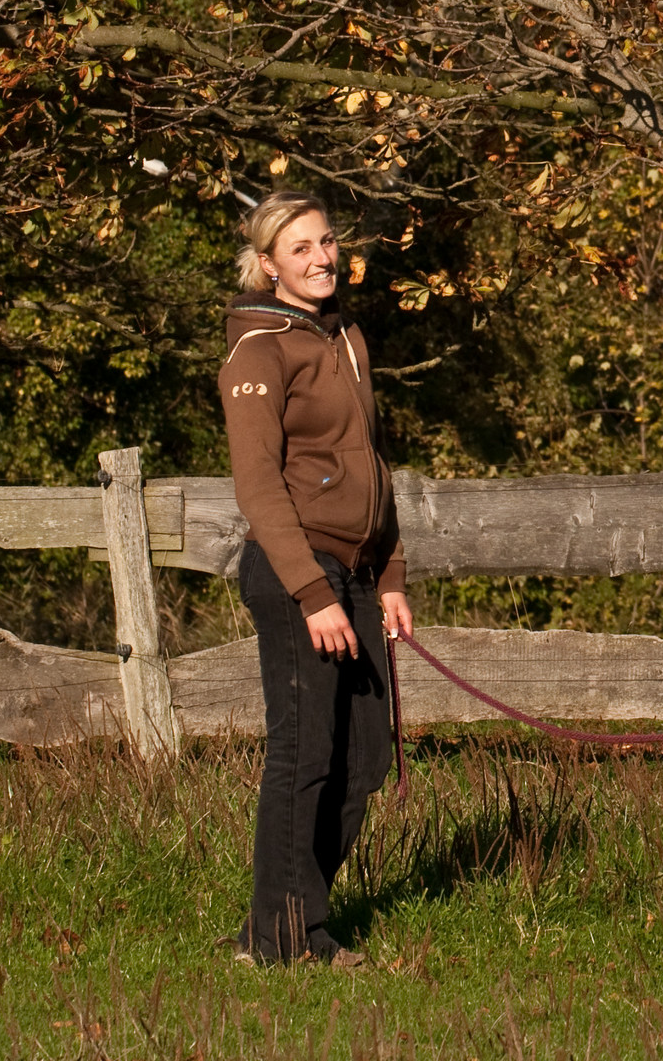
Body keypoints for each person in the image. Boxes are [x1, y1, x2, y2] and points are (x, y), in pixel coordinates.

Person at [219, 191, 415, 967]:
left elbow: (374, 463)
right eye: (300, 249)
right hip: (297, 569)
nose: (321, 257)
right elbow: (258, 486)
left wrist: (391, 573)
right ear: (269, 266)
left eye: (327, 241)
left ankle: (277, 919)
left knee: (364, 760)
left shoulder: (347, 337)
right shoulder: (257, 349)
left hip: (359, 572)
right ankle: (289, 938)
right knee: (304, 756)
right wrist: (312, 592)